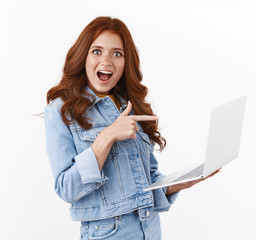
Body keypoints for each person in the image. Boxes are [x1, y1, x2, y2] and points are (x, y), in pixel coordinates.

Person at [45, 16, 219, 239]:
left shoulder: (128, 105)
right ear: (83, 57)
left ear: (126, 62)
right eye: (97, 51)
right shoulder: (61, 110)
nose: (106, 61)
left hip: (150, 230)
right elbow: (66, 189)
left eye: (117, 54)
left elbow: (147, 185)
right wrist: (106, 137)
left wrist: (181, 183)